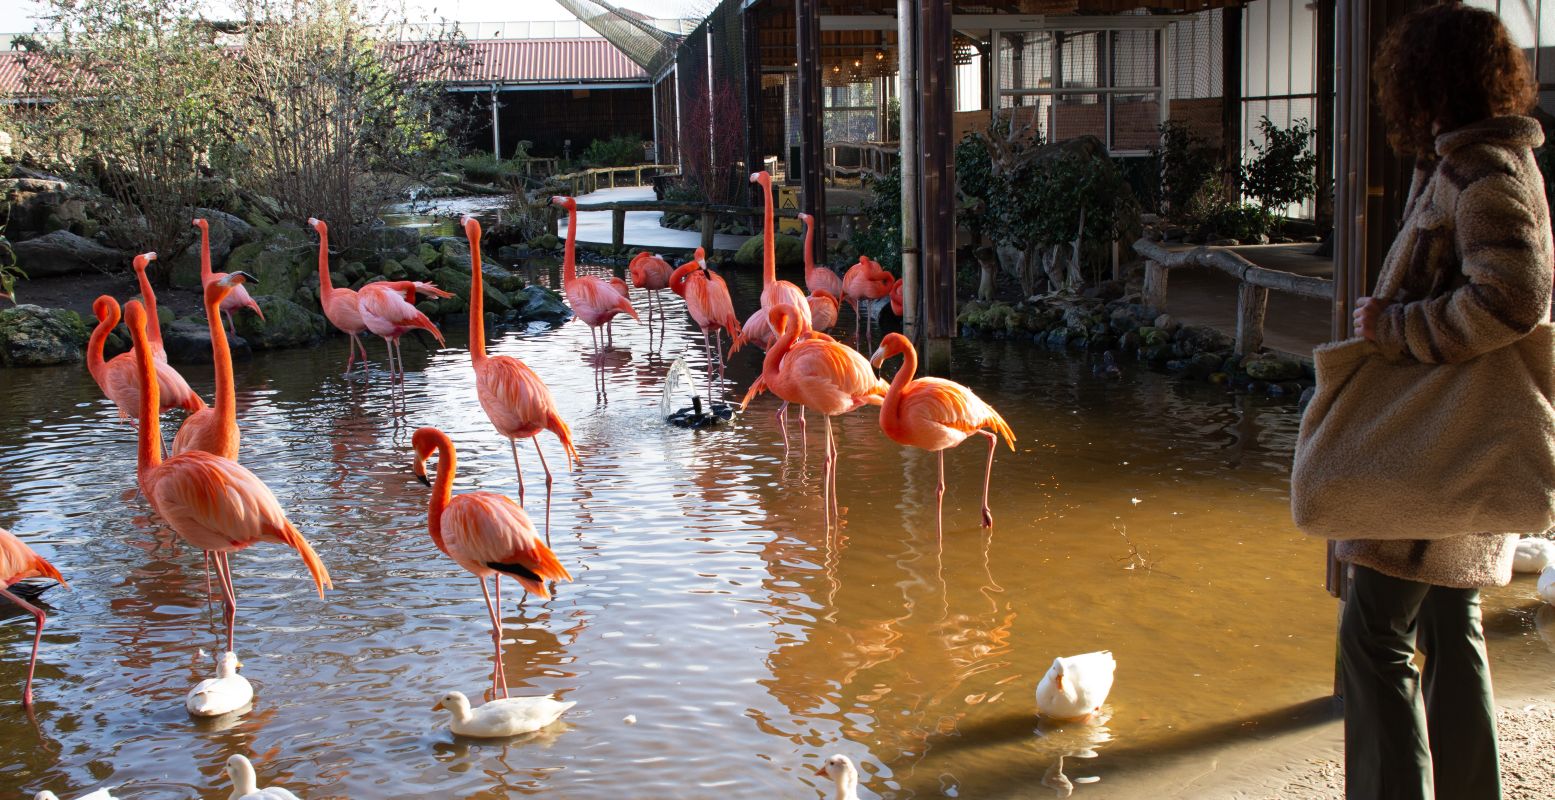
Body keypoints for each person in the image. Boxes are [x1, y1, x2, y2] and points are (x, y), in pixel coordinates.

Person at [1343, 5, 1553, 799]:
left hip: (1437, 436)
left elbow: (1513, 299)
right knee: (1448, 624)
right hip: (1456, 435)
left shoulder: (1482, 173)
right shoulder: (1480, 162)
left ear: (1426, 79)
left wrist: (1398, 327)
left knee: (1372, 634)